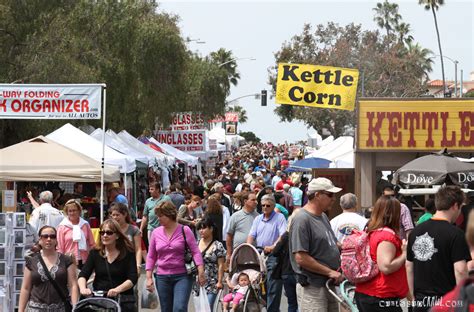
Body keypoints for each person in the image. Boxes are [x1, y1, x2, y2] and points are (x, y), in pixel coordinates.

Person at [406, 186, 471, 312]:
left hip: (421, 302)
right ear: (455, 205)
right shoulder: (456, 234)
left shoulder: (415, 232)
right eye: (461, 207)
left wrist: (413, 298)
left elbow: (409, 267)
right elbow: (461, 271)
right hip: (446, 302)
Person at [289, 177, 342, 312]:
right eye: (330, 195)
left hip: (328, 283)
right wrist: (330, 272)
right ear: (317, 195)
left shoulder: (323, 216)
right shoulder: (302, 219)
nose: (333, 198)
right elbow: (301, 257)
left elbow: (331, 242)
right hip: (313, 286)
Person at [145, 201, 206, 312]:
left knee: (179, 308)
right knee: (166, 309)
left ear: (170, 215)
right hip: (162, 276)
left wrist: (200, 271)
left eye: (161, 216)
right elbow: (151, 256)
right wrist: (148, 277)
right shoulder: (156, 233)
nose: (158, 219)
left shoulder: (184, 230)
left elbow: (195, 251)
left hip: (182, 275)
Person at [354, 195, 408, 312]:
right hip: (381, 296)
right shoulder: (386, 236)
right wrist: (404, 254)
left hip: (368, 293)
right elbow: (386, 267)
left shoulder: (372, 232)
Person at [78, 219, 138, 311]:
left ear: (117, 235)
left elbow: (133, 278)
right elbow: (83, 274)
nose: (105, 235)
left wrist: (117, 290)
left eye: (109, 233)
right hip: (100, 302)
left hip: (122, 301)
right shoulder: (95, 253)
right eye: (102, 233)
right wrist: (83, 288)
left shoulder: (128, 253)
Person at [19, 225, 79, 312]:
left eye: (52, 236)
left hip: (60, 308)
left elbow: (73, 285)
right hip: (35, 308)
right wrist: (21, 310)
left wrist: (75, 307)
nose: (49, 239)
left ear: (56, 240)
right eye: (45, 236)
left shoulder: (66, 260)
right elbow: (25, 288)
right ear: (39, 240)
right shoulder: (31, 261)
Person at [247, 194, 287, 312]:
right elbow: (251, 235)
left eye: (268, 205)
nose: (265, 207)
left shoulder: (279, 218)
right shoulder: (258, 218)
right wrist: (248, 246)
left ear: (273, 205)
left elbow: (283, 235)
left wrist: (273, 246)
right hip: (259, 255)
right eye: (263, 205)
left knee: (273, 287)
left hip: (274, 256)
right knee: (260, 287)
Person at [272, 208, 301, 312]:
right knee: (301, 303)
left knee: (292, 303)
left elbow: (275, 252)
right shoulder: (302, 234)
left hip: (287, 272)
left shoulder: (286, 236)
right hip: (299, 272)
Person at [195, 218, 226, 310]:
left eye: (204, 228)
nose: (201, 231)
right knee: (199, 308)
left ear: (211, 229)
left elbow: (221, 265)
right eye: (199, 228)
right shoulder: (196, 244)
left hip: (212, 282)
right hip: (197, 282)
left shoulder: (218, 245)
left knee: (208, 306)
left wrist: (220, 281)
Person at [57, 199, 95, 269]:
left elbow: (92, 243)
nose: (72, 213)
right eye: (70, 211)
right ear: (67, 212)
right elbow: (59, 247)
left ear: (79, 211)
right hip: (69, 260)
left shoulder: (85, 225)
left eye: (74, 210)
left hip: (85, 260)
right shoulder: (62, 226)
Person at [109, 202, 142, 273]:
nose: (115, 217)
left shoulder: (134, 229)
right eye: (113, 215)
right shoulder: (109, 230)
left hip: (130, 265)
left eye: (117, 215)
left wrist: (138, 265)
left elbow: (138, 249)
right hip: (114, 264)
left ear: (125, 214)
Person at [226, 192, 259, 262]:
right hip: (238, 253)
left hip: (254, 253)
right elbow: (229, 235)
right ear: (245, 201)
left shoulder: (259, 217)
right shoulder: (235, 216)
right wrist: (229, 253)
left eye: (256, 200)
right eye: (253, 200)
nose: (256, 202)